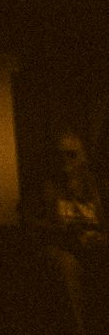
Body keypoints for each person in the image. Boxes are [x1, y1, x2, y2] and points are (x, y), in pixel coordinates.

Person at [25, 129, 106, 335]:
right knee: (66, 266)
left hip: (95, 245)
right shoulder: (44, 186)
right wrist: (67, 234)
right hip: (61, 246)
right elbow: (31, 223)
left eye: (72, 154)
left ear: (83, 157)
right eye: (60, 154)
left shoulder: (98, 186)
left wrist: (101, 238)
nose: (65, 160)